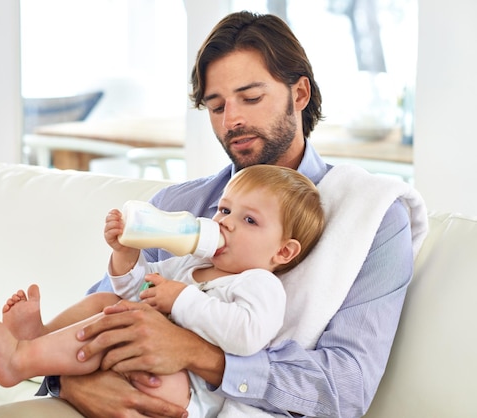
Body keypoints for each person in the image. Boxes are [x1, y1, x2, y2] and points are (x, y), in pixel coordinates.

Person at [24, 11, 416, 418]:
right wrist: (71, 382)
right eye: (216, 106)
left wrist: (201, 355)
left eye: (251, 98)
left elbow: (344, 389)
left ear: (299, 94)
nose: (232, 121)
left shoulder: (370, 220)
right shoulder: (175, 208)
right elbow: (98, 317)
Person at [0, 164, 325, 417]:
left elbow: (246, 335)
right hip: (135, 362)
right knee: (106, 302)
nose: (225, 223)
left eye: (249, 220)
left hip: (185, 390)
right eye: (224, 209)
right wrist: (126, 255)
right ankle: (37, 340)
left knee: (125, 324)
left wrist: (181, 298)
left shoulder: (259, 283)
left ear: (282, 252)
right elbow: (135, 291)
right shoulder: (188, 265)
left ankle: (20, 360)